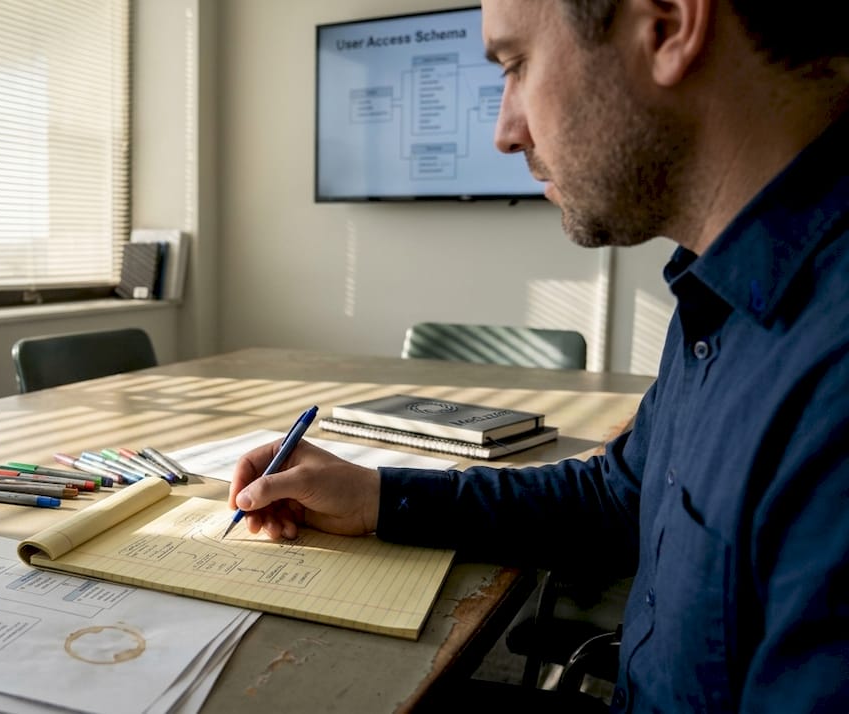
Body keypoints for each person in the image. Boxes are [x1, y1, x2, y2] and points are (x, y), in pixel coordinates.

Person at [230, 1, 849, 711]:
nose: (504, 131)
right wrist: (376, 497)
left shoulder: (831, 372)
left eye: (517, 64)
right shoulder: (724, 287)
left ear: (669, 25)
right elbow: (619, 498)